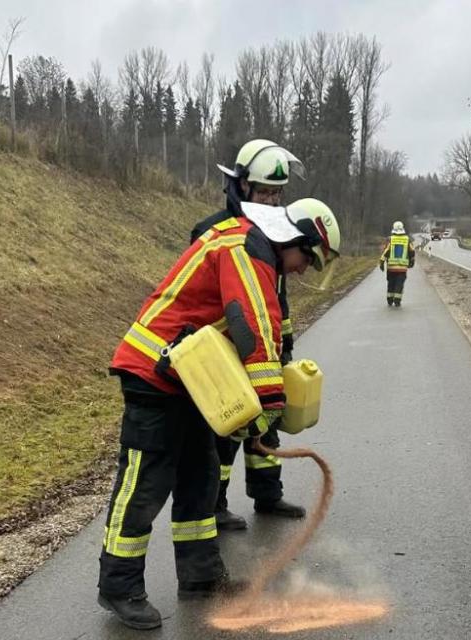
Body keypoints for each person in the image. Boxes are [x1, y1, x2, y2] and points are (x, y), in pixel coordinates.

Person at [97, 197, 341, 630]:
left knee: (201, 474)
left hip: (190, 376)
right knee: (145, 483)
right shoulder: (246, 247)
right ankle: (119, 585)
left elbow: (259, 327)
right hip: (154, 373)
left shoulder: (257, 248)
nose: (304, 270)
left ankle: (201, 576)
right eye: (308, 259)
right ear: (296, 239)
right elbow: (253, 322)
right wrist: (270, 401)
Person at [191, 139, 309, 530]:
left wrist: (284, 343)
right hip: (224, 350)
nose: (271, 202)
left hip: (264, 347)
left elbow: (277, 297)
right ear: (241, 187)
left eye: (277, 194)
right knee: (225, 431)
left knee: (267, 427)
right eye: (264, 192)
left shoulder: (274, 233)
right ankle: (216, 505)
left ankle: (267, 495)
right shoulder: (212, 230)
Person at [378, 221, 415, 306]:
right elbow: (412, 251)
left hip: (391, 268)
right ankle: (397, 301)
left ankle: (390, 300)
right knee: (399, 284)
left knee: (391, 283)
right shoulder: (407, 239)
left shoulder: (390, 239)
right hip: (402, 268)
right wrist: (412, 261)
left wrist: (381, 262)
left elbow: (386, 252)